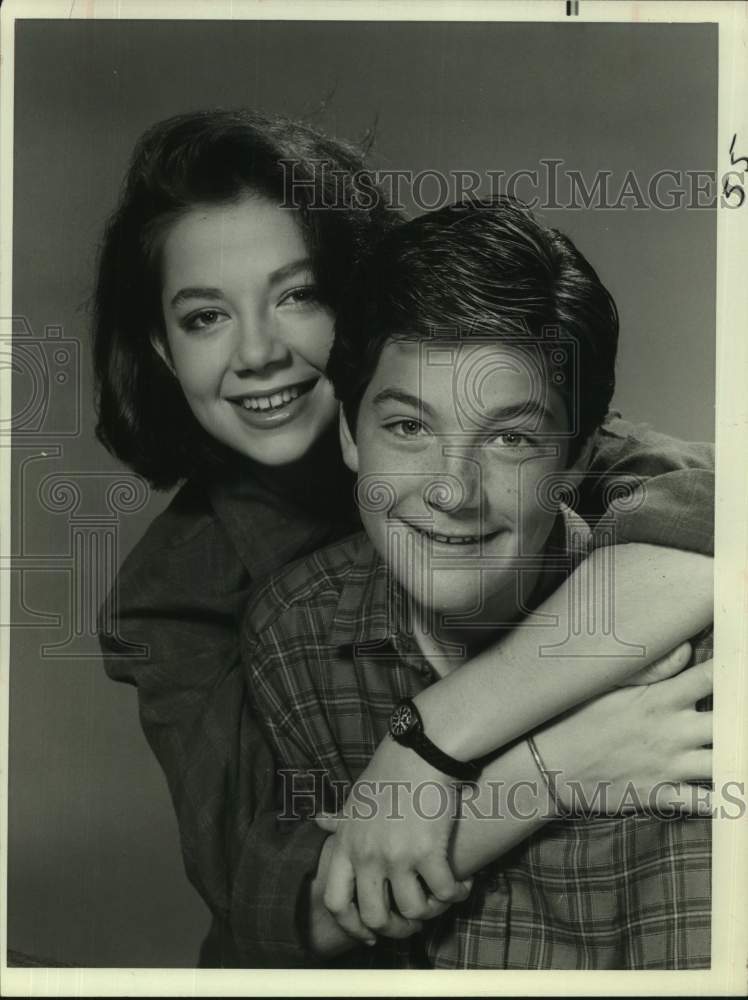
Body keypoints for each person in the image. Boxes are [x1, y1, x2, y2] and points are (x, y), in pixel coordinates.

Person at [93, 111, 714, 966]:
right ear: (164, 350)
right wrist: (551, 771)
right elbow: (271, 900)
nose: (260, 351)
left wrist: (427, 739)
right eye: (205, 317)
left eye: (297, 295)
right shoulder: (189, 598)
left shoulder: (512, 413)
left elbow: (710, 528)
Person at [240, 198, 714, 968]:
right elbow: (282, 923)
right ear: (349, 434)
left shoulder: (694, 662)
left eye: (512, 439)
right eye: (408, 427)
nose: (452, 490)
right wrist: (542, 774)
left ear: (578, 458)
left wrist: (428, 750)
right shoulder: (299, 634)